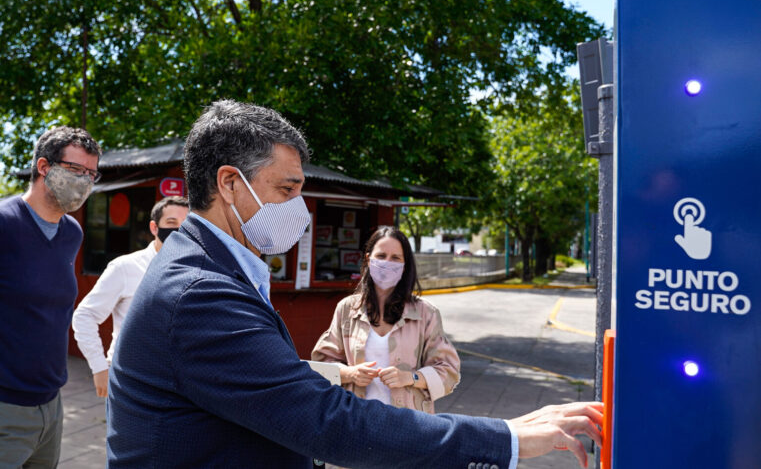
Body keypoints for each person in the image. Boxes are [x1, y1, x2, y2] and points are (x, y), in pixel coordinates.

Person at [107, 100, 602, 469]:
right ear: (231, 184)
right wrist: (506, 437)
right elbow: (327, 421)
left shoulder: (208, 269)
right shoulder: (200, 291)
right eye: (286, 189)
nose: (296, 209)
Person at [0, 126, 101, 468]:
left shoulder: (71, 232)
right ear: (44, 167)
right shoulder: (5, 224)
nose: (85, 181)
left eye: (91, 173)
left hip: (52, 406)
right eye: (76, 171)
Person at [312, 226, 460, 415]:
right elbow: (321, 366)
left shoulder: (426, 313)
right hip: (355, 420)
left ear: (405, 265)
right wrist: (351, 374)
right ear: (368, 259)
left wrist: (410, 377)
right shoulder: (347, 309)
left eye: (395, 258)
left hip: (409, 424)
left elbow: (449, 372)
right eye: (381, 256)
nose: (387, 263)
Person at [72, 196, 189, 397]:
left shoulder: (195, 269)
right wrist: (99, 368)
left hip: (179, 384)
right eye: (171, 223)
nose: (179, 230)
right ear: (154, 228)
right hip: (131, 380)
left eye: (186, 225)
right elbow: (84, 316)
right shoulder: (126, 267)